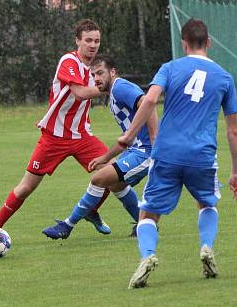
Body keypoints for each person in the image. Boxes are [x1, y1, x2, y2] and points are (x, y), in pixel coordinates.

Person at [118, 19, 237, 288]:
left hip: (167, 153)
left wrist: (129, 135)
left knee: (148, 214)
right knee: (207, 204)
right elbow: (232, 131)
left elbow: (150, 99)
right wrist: (236, 172)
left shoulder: (171, 68)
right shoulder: (224, 77)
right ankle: (206, 246)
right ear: (208, 42)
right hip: (202, 155)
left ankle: (148, 256)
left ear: (184, 43)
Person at [0, 19, 111, 244]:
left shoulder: (98, 67)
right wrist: (108, 86)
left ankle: (91, 210)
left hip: (82, 136)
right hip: (54, 137)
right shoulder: (68, 61)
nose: (93, 45)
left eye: (97, 40)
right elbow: (79, 93)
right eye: (88, 40)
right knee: (25, 188)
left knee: (114, 174)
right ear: (77, 41)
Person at [41, 54, 157, 240]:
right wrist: (104, 158)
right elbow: (130, 131)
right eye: (93, 75)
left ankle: (67, 226)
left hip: (146, 152)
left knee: (99, 179)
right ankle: (143, 225)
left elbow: (147, 102)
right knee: (115, 184)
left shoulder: (120, 87)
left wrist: (154, 138)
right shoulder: (112, 93)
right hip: (137, 150)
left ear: (113, 72)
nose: (97, 79)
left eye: (101, 73)